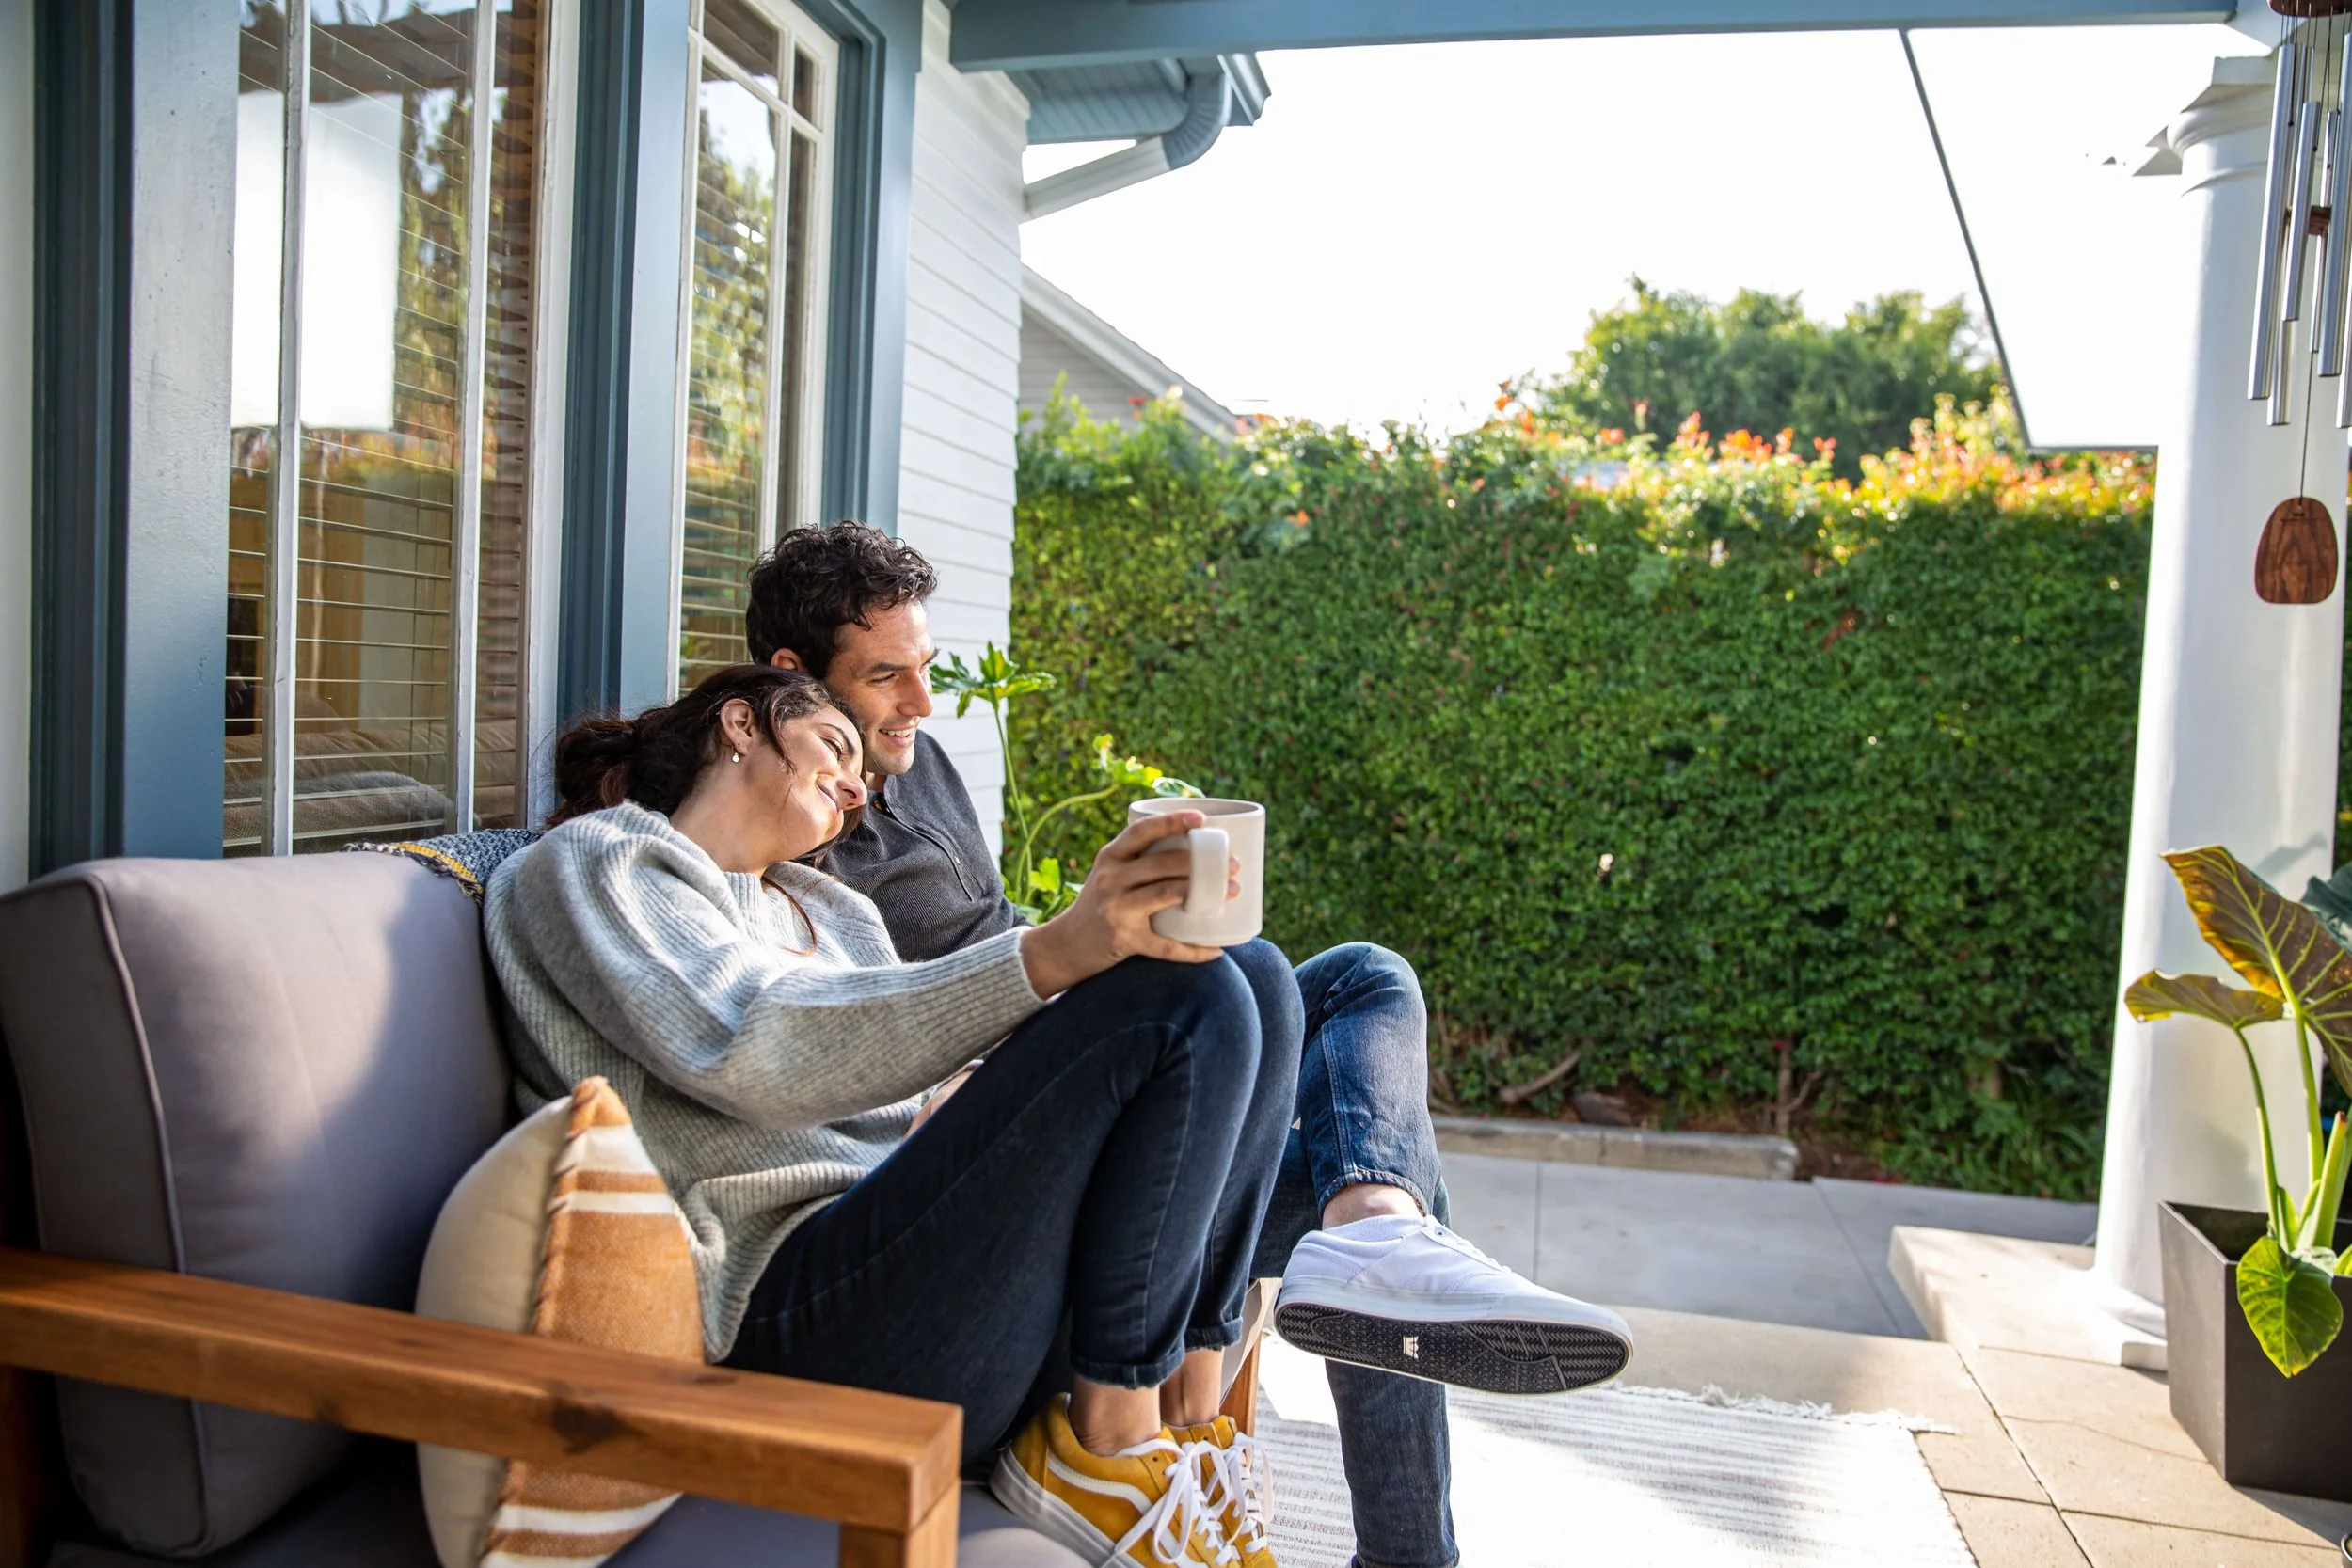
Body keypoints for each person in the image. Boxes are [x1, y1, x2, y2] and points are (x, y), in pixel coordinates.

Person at [747, 523, 1636, 1568]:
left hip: (1091, 1088)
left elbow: (991, 941)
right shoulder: (788, 827)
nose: (920, 704)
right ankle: (1383, 1379)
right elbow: (846, 1038)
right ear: (789, 678)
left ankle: (1372, 1224)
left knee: (1359, 979)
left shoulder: (924, 765)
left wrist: (1097, 927)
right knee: (1257, 1016)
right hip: (994, 1152)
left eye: (925, 668)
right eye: (885, 676)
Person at [484, 664, 1302, 1568]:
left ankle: (1187, 1420)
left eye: (859, 776)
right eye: (833, 745)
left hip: (923, 1291)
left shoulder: (833, 910)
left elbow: (897, 1088)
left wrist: (969, 1101)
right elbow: (752, 1042)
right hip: (794, 1325)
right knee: (1190, 1002)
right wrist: (1058, 948)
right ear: (741, 725)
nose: (853, 783)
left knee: (1257, 973)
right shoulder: (606, 860)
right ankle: (1111, 1447)